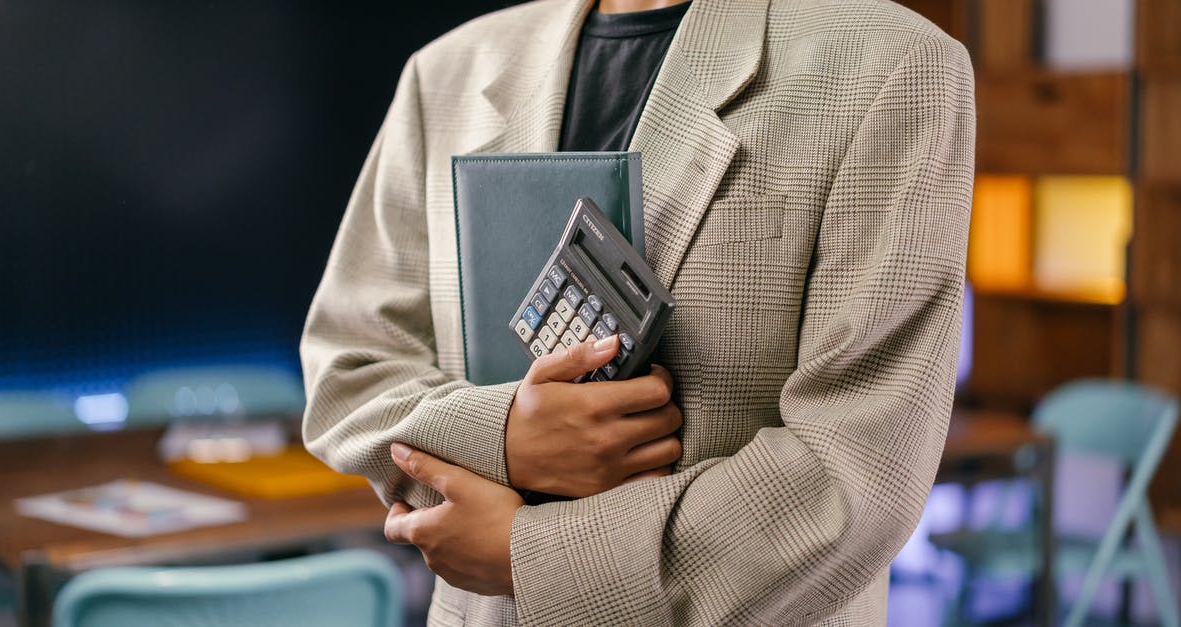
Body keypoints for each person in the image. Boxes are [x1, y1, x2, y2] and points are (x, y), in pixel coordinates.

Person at [300, 0, 975, 623]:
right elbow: (351, 370)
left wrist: (532, 557)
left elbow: (853, 477)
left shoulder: (894, 65)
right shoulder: (444, 74)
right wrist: (503, 437)